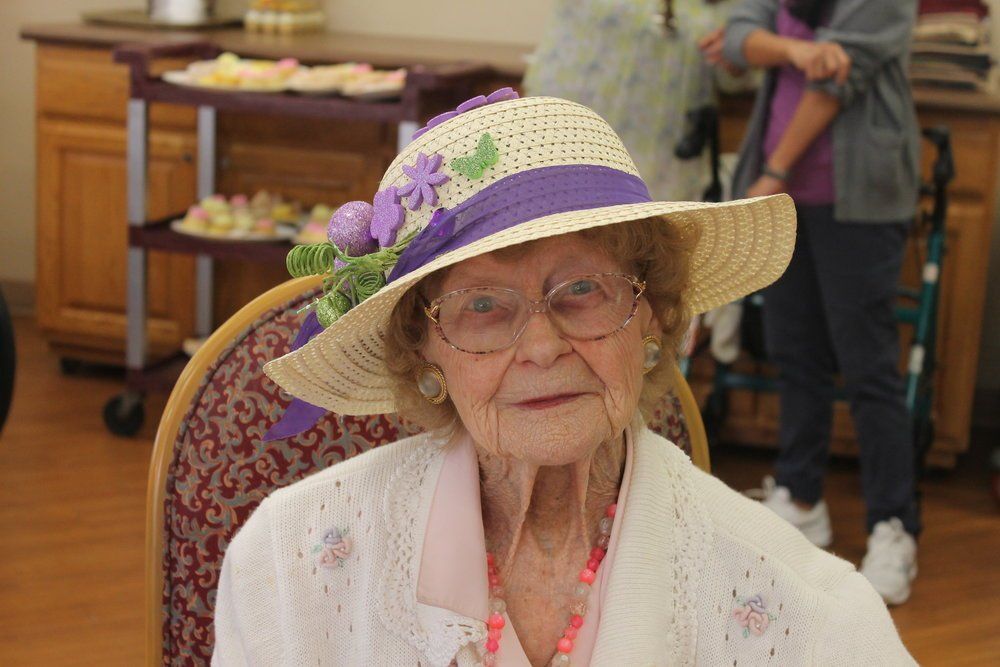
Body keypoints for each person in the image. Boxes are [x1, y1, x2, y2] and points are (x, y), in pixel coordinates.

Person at [211, 91, 915, 665]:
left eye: (582, 288)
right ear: (424, 350)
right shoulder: (290, 565)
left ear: (652, 315)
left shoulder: (808, 620)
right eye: (483, 306)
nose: (542, 346)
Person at [700, 0, 922, 605]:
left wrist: (774, 169)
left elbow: (836, 78)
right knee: (796, 354)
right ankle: (801, 498)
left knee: (868, 366)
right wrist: (795, 49)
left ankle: (892, 525)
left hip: (858, 203)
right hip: (787, 199)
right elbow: (742, 36)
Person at [523, 0, 743, 202]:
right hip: (570, 130)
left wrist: (734, 52)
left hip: (665, 149)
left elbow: (734, 78)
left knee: (648, 236)